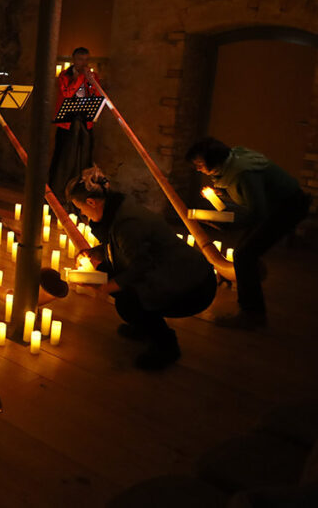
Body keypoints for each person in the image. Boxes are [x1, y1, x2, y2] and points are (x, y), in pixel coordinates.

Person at [68, 167, 217, 370]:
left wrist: (107, 287)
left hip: (193, 286)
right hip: (174, 273)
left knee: (126, 300)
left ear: (91, 202)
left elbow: (141, 266)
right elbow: (125, 248)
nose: (82, 213)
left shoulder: (127, 223)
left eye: (81, 208)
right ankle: (144, 326)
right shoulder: (118, 210)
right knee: (115, 281)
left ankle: (166, 345)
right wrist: (96, 253)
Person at [185, 138, 310, 328]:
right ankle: (251, 276)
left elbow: (258, 213)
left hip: (288, 208)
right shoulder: (231, 162)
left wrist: (225, 224)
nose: (198, 169)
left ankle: (252, 314)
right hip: (276, 207)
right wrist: (222, 197)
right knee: (244, 252)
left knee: (244, 255)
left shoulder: (242, 173)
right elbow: (247, 198)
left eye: (200, 165)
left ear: (214, 161)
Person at [49, 47, 102, 203]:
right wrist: (79, 78)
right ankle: (58, 194)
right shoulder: (65, 75)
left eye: (86, 60)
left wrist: (92, 82)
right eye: (80, 60)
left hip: (85, 123)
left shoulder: (92, 76)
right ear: (74, 60)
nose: (83, 63)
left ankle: (80, 194)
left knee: (83, 159)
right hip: (67, 124)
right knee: (65, 159)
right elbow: (67, 93)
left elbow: (97, 96)